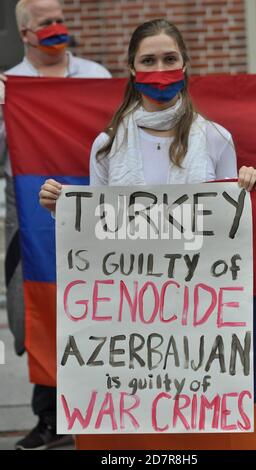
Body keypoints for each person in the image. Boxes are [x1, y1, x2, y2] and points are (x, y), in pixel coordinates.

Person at [0, 0, 111, 451]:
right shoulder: (11, 87)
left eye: (60, 18)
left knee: (100, 311)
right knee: (41, 317)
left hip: (94, 214)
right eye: (46, 23)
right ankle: (50, 417)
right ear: (26, 33)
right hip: (31, 222)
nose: (57, 27)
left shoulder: (97, 78)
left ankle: (105, 410)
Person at [40, 18, 256, 216]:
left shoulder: (217, 138)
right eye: (148, 61)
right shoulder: (106, 145)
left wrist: (249, 186)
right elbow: (98, 221)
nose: (160, 70)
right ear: (132, 68)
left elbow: (230, 220)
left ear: (184, 65)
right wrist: (62, 208)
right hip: (127, 265)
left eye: (170, 59)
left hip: (201, 265)